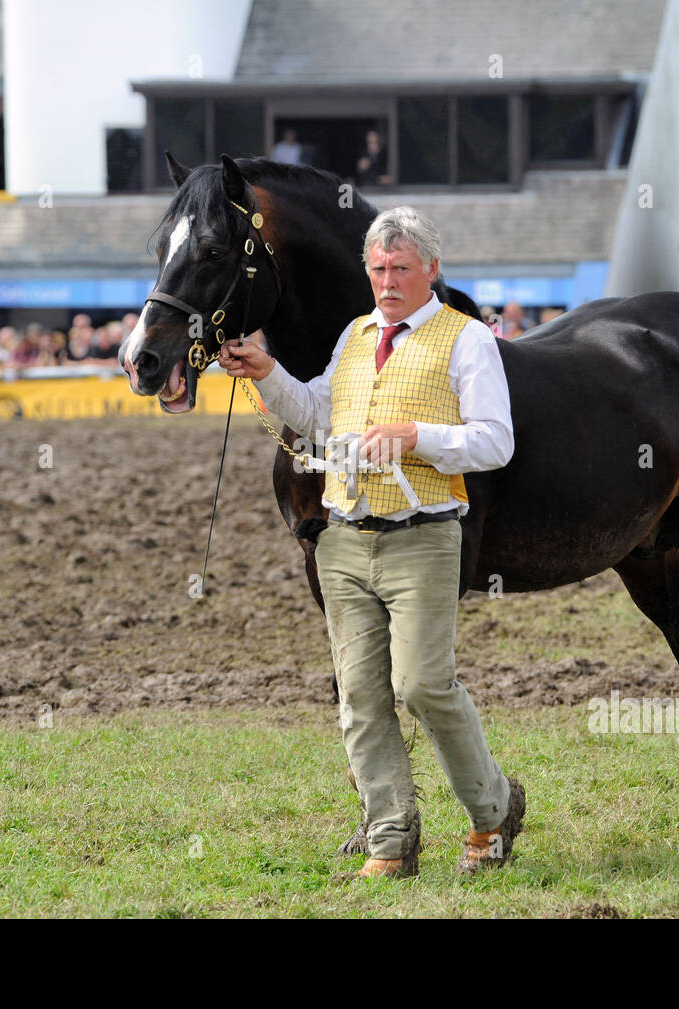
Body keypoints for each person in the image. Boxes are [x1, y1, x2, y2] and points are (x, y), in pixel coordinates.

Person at [218, 207, 524, 878]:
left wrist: (418, 434)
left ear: (431, 270)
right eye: (379, 269)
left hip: (424, 539)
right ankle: (390, 837)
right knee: (358, 695)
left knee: (421, 684)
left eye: (402, 269)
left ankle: (493, 808)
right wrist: (266, 369)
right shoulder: (355, 336)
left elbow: (496, 441)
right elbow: (315, 412)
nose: (388, 282)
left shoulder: (467, 340)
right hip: (344, 541)